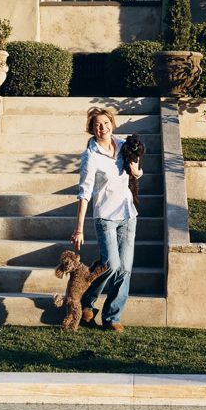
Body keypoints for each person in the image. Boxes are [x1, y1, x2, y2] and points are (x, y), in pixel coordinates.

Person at [70, 107, 143, 332]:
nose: (102, 128)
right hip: (105, 216)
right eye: (97, 125)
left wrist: (137, 172)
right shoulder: (90, 156)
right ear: (91, 129)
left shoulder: (123, 146)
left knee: (125, 270)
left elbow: (137, 172)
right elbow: (84, 193)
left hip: (128, 215)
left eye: (105, 123)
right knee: (111, 265)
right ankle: (86, 301)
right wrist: (79, 228)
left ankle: (112, 317)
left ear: (112, 123)